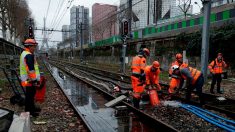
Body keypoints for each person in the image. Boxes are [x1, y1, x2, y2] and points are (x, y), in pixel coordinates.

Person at [20, 38, 41, 117]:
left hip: (26, 79)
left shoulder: (24, 53)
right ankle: (30, 112)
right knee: (30, 95)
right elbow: (30, 69)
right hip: (29, 80)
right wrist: (35, 80)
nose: (34, 48)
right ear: (29, 46)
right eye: (33, 46)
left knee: (30, 95)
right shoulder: (28, 55)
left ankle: (31, 109)